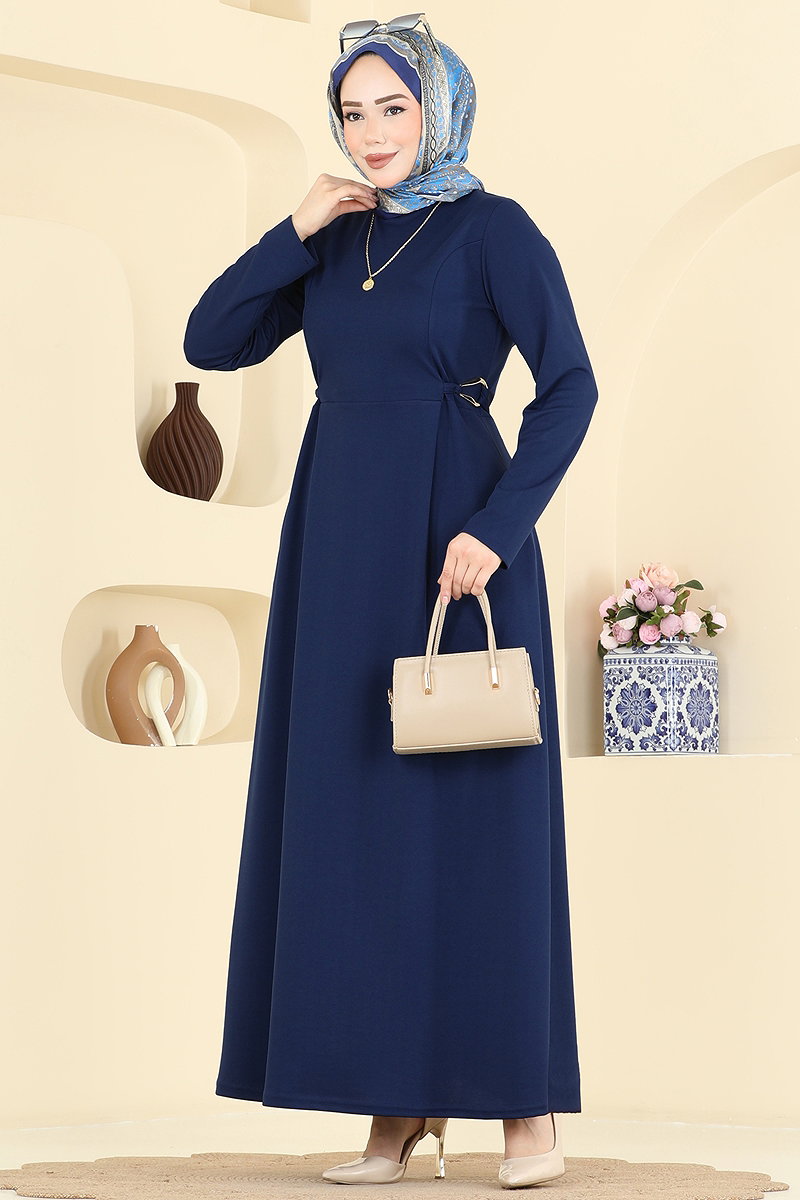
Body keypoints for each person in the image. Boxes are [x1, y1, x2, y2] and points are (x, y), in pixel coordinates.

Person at [183, 13, 599, 1190]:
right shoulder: (332, 239)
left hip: (456, 541)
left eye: (392, 108)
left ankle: (522, 1108)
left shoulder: (493, 229)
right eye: (351, 112)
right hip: (338, 546)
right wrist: (293, 228)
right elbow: (211, 340)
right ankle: (395, 1107)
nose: (370, 133)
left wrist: (494, 529)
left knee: (474, 821)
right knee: (356, 818)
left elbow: (568, 386)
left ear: (438, 109)